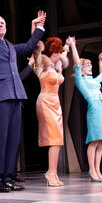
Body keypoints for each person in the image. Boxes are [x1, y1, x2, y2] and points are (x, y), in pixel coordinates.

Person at [0, 12, 46, 193]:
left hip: (15, 94)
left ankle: (7, 177)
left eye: (3, 23)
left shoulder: (10, 46)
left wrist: (37, 26)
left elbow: (29, 47)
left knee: (13, 140)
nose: (1, 25)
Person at [69, 37, 102, 182]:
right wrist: (73, 46)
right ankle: (92, 170)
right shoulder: (81, 81)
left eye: (90, 64)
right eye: (87, 65)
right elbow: (76, 62)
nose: (90, 67)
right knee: (94, 140)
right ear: (82, 68)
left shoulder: (93, 81)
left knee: (101, 141)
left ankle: (98, 170)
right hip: (94, 109)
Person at [32, 36, 68, 187]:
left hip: (55, 102)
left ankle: (53, 172)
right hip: (46, 101)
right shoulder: (43, 63)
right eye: (60, 52)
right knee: (54, 138)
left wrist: (68, 45)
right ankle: (50, 172)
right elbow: (36, 54)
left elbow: (63, 58)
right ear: (56, 52)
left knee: (58, 139)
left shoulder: (55, 65)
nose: (61, 54)